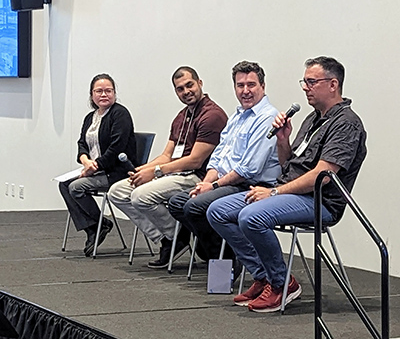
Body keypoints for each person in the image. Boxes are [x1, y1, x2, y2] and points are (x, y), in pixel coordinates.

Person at [207, 56, 367, 313]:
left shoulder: (346, 123)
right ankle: (265, 276)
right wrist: (283, 140)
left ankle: (283, 284)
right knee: (217, 211)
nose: (305, 87)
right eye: (304, 81)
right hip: (289, 192)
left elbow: (322, 176)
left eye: (311, 82)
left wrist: (272, 192)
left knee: (251, 216)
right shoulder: (313, 119)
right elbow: (288, 165)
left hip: (319, 201)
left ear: (333, 84)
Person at [108, 66, 228, 268]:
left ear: (200, 83)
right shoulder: (181, 117)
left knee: (141, 196)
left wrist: (155, 172)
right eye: (180, 89)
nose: (186, 91)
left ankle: (178, 236)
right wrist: (142, 170)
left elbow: (195, 161)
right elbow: (167, 155)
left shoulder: (212, 115)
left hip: (198, 177)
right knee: (117, 192)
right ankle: (170, 237)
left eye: (189, 85)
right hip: (175, 174)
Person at [168, 61, 281, 263]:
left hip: (251, 185)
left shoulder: (267, 117)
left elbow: (248, 169)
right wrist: (207, 183)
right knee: (177, 203)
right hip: (227, 181)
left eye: (251, 85)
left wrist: (212, 186)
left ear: (262, 86)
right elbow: (218, 157)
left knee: (194, 207)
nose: (245, 91)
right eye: (240, 85)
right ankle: (219, 252)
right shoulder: (237, 117)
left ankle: (230, 258)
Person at [59, 73, 137, 257]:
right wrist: (85, 161)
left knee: (76, 187)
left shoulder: (120, 114)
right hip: (94, 169)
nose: (104, 95)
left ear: (114, 93)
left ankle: (98, 225)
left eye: (108, 91)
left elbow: (116, 149)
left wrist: (93, 167)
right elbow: (81, 144)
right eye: (99, 91)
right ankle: (94, 227)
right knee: (63, 185)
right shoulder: (90, 117)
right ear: (92, 95)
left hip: (116, 171)